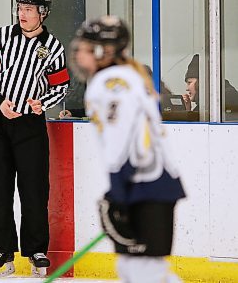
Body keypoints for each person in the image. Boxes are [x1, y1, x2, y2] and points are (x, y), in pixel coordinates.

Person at [69, 15, 186, 283]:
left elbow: (125, 137)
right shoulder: (122, 77)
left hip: (145, 184)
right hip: (147, 184)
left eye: (86, 47)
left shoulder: (112, 82)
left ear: (103, 51)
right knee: (135, 269)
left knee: (144, 271)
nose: (78, 53)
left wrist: (118, 191)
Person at [0, 0, 70, 278]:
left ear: (43, 13)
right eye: (20, 8)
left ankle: (36, 249)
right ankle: (1, 250)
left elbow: (61, 85)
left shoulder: (53, 47)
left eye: (29, 9)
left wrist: (42, 104)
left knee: (34, 188)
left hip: (30, 124)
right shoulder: (2, 36)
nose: (22, 13)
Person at [182, 53, 238, 120]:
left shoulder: (225, 97)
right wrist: (188, 110)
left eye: (189, 83)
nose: (187, 89)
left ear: (202, 81)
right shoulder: (208, 101)